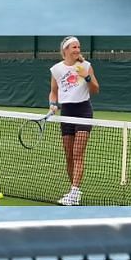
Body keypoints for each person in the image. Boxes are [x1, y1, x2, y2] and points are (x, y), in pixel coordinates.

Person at [49, 36, 100, 206]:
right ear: (65, 50)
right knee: (69, 156)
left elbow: (95, 89)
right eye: (74, 47)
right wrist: (52, 104)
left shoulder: (86, 66)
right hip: (67, 112)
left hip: (83, 110)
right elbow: (54, 92)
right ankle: (74, 191)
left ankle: (74, 192)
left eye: (78, 47)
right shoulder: (56, 69)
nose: (77, 49)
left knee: (78, 153)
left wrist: (86, 77)